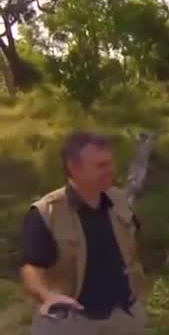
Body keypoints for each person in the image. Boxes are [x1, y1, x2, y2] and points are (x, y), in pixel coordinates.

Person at [19, 131, 147, 334]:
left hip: (123, 316)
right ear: (73, 167)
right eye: (101, 166)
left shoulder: (120, 201)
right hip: (70, 321)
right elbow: (31, 268)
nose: (110, 171)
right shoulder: (46, 212)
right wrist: (46, 295)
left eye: (109, 163)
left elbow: (133, 247)